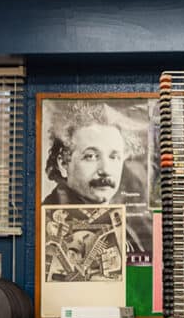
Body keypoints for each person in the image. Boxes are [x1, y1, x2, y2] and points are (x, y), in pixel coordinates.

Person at [42, 101, 152, 263]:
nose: (105, 169)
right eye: (91, 156)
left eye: (114, 157)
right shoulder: (49, 223)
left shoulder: (127, 227)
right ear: (63, 163)